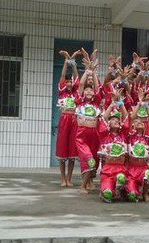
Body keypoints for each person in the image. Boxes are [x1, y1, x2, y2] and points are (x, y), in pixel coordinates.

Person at [75, 53, 101, 194]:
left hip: (95, 135)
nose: (89, 91)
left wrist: (94, 73)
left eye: (91, 90)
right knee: (88, 159)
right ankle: (82, 186)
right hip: (82, 135)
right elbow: (80, 85)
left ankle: (90, 180)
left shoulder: (96, 102)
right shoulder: (79, 101)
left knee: (94, 161)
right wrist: (87, 72)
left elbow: (98, 88)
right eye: (87, 90)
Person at [97, 88, 129, 202]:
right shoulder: (104, 134)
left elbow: (125, 118)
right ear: (108, 124)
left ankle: (120, 190)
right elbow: (103, 118)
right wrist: (111, 104)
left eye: (117, 119)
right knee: (108, 195)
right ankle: (106, 190)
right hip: (107, 170)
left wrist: (120, 102)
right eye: (113, 119)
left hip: (120, 169)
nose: (116, 120)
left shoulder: (124, 135)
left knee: (121, 178)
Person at [55, 50, 81, 187]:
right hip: (64, 120)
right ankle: (62, 178)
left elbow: (77, 78)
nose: (70, 83)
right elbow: (63, 75)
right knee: (62, 151)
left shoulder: (76, 94)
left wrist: (73, 63)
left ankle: (69, 179)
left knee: (72, 152)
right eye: (68, 82)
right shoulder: (62, 93)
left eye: (71, 81)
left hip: (74, 121)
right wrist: (66, 61)